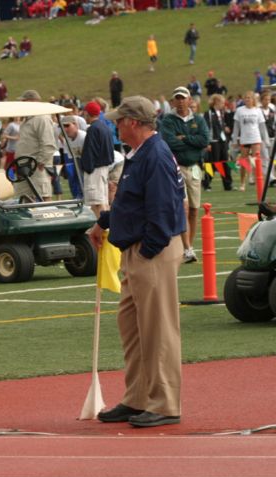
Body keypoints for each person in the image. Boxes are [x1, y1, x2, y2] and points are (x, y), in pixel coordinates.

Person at [90, 95, 186, 428]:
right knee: (132, 328)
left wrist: (148, 251)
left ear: (133, 122)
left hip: (151, 250)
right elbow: (133, 202)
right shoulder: (140, 154)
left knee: (158, 330)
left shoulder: (154, 155)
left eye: (119, 120)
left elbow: (162, 208)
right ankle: (138, 397)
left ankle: (164, 403)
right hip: (137, 248)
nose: (115, 126)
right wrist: (103, 223)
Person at [159, 86, 209, 264]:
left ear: (189, 100)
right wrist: (190, 141)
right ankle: (186, 247)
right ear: (173, 101)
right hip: (177, 167)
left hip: (195, 167)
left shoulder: (198, 119)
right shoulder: (168, 120)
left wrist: (184, 138)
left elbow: (204, 140)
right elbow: (169, 141)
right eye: (177, 98)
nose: (180, 101)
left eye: (183, 98)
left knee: (194, 209)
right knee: (183, 207)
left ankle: (189, 246)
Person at [15, 89, 58, 201]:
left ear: (31, 101)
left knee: (43, 197)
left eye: (23, 101)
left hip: (36, 166)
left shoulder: (41, 118)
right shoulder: (28, 119)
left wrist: (40, 162)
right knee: (25, 198)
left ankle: (47, 218)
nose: (21, 105)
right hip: (25, 166)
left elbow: (48, 144)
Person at [80, 101, 115, 217]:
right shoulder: (104, 127)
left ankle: (102, 230)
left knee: (97, 203)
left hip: (95, 169)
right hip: (104, 168)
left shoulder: (93, 129)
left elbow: (90, 151)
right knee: (103, 201)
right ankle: (107, 228)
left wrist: (87, 168)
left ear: (87, 113)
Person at [232, 91, 269, 193]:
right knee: (244, 162)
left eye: (249, 98)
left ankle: (255, 179)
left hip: (256, 138)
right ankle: (243, 183)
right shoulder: (240, 110)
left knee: (256, 160)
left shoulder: (257, 111)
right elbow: (236, 127)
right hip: (244, 139)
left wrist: (266, 140)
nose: (247, 99)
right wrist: (234, 139)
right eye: (245, 98)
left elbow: (262, 127)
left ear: (253, 99)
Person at [204, 94, 232, 192]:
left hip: (222, 141)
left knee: (225, 163)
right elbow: (207, 128)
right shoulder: (208, 114)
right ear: (216, 102)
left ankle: (228, 185)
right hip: (214, 141)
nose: (223, 104)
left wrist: (225, 128)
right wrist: (207, 143)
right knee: (213, 163)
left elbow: (221, 125)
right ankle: (206, 183)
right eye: (222, 102)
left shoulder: (222, 113)